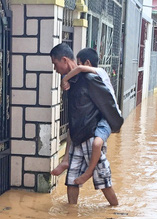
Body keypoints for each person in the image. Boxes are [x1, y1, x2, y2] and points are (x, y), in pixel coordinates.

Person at [49, 43, 123, 206]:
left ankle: (115, 211)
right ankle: (71, 215)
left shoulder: (90, 78)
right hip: (77, 137)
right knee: (72, 180)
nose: (55, 69)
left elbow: (107, 103)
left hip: (91, 135)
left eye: (55, 64)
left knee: (104, 181)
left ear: (64, 60)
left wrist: (113, 125)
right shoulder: (68, 83)